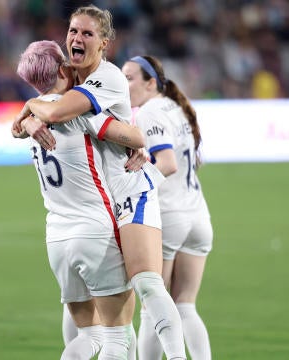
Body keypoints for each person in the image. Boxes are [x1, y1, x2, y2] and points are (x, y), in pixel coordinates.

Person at [12, 5, 187, 360]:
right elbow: (35, 119)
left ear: (104, 43)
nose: (77, 38)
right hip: (96, 207)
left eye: (87, 33)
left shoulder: (106, 78)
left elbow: (67, 115)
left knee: (146, 284)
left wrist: (31, 108)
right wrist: (27, 120)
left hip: (128, 191)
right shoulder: (70, 79)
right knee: (110, 327)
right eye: (73, 31)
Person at [13, 39, 144, 359]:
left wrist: (29, 114)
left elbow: (16, 127)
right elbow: (136, 137)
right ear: (62, 68)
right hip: (94, 228)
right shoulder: (81, 111)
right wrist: (134, 141)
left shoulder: (32, 123)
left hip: (57, 238)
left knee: (90, 335)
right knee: (117, 336)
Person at [122, 55, 214, 360]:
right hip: (198, 215)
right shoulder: (177, 107)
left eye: (130, 78)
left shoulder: (149, 112)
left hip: (170, 217)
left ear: (151, 83)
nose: (125, 84)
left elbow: (167, 163)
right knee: (185, 304)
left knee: (152, 306)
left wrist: (133, 186)